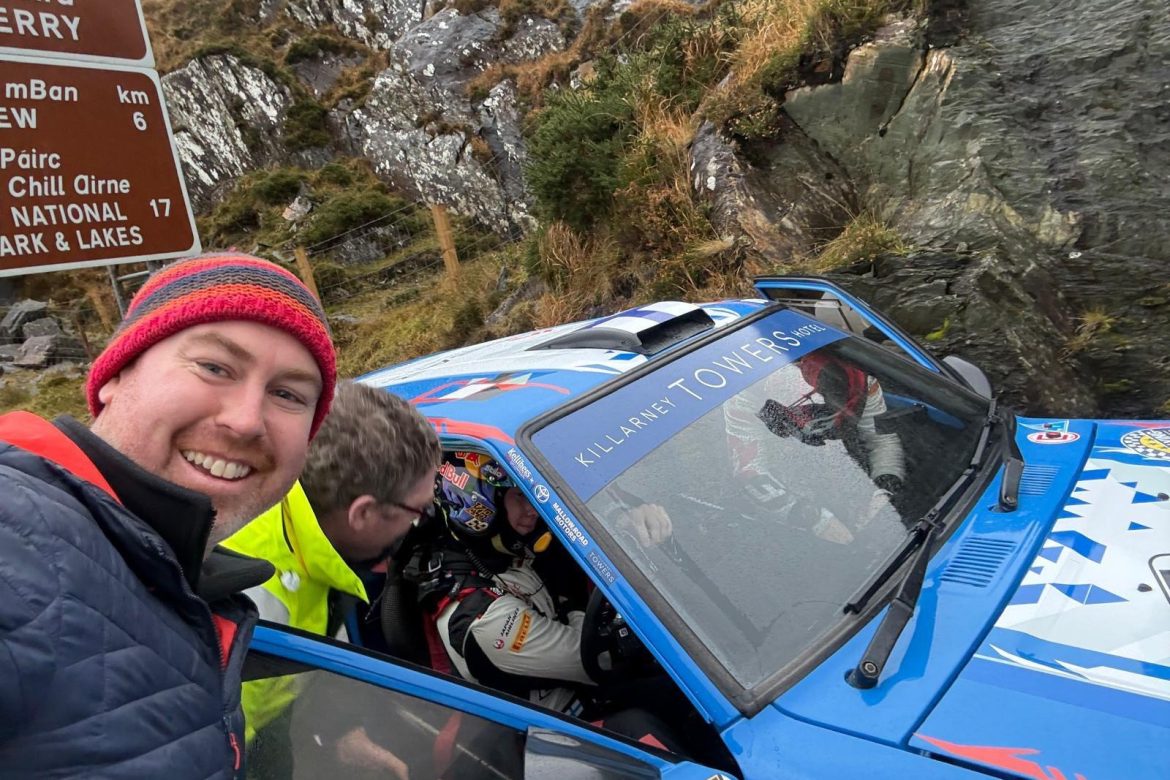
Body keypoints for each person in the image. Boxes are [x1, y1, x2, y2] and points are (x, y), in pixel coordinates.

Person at [0, 253, 336, 778]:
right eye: (214, 367)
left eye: (288, 394)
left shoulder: (180, 582)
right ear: (115, 375)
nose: (247, 421)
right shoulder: (16, 539)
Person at [222, 380, 440, 779]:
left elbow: (318, 658)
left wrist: (341, 730)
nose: (417, 526)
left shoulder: (316, 544)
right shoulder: (243, 594)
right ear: (363, 514)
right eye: (418, 511)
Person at [407, 453, 671, 717]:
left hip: (593, 688)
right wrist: (574, 596)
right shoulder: (485, 619)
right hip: (571, 723)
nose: (533, 508)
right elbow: (601, 660)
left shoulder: (505, 538)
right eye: (519, 496)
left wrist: (622, 521)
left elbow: (576, 511)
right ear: (480, 504)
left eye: (530, 491)